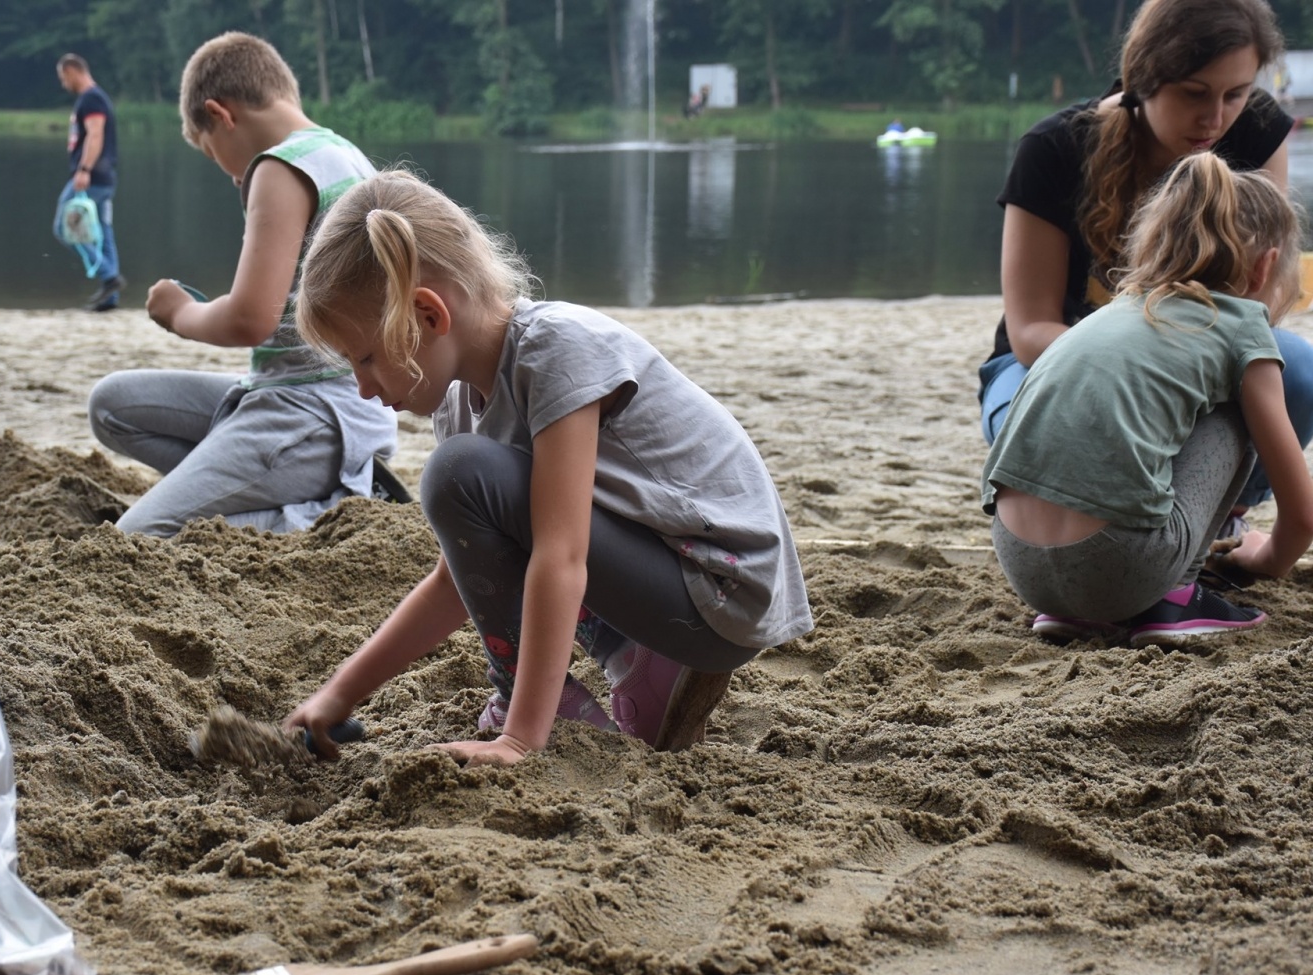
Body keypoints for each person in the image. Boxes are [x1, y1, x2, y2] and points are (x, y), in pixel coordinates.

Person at [281, 170, 813, 766]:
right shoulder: (460, 404)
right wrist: (338, 695)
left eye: (366, 358)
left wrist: (520, 738)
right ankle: (640, 664)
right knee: (473, 486)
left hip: (721, 593)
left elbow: (562, 556)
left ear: (428, 315)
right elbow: (457, 582)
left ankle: (546, 706)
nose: (362, 387)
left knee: (459, 476)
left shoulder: (555, 350)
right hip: (672, 584)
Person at [978, 0, 1313, 530]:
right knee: (1058, 426)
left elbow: (1261, 306)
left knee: (1298, 370)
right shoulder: (1052, 149)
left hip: (1199, 363)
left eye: (1236, 94)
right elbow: (1030, 331)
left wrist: (1179, 370)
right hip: (1052, 364)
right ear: (1143, 78)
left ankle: (1221, 518)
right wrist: (1143, 367)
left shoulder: (1258, 130)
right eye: (1194, 93)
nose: (1216, 118)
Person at [981, 152, 1313, 647]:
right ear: (1265, 267)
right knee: (1240, 408)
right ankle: (1177, 596)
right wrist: (1264, 558)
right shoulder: (1241, 325)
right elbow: (1302, 515)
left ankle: (1084, 610)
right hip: (1122, 567)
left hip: (1022, 566)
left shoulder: (1110, 315)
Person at [86, 32, 397, 537]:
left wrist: (180, 313)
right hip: (324, 403)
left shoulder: (279, 167)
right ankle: (250, 487)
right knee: (112, 405)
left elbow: (251, 320)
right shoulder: (348, 156)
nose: (229, 173)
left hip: (309, 414)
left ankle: (317, 513)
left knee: (138, 535)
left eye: (211, 152)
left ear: (220, 114)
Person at [56, 54, 124, 312]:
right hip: (104, 178)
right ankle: (110, 299)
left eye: (63, 77)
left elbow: (95, 135)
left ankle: (109, 276)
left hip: (91, 178)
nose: (63, 83)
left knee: (65, 227)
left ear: (72, 71)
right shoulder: (95, 98)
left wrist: (84, 169)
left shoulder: (91, 99)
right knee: (104, 234)